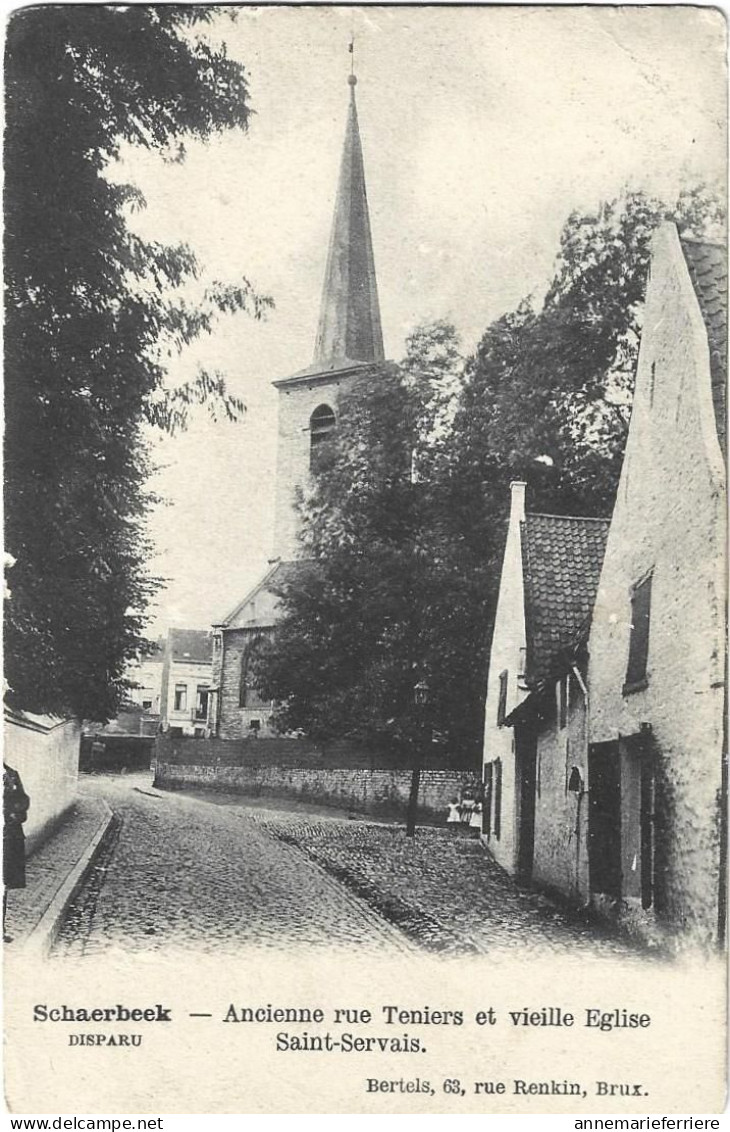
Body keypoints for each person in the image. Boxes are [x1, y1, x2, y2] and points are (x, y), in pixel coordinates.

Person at [4, 763, 30, 942]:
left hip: (8, 838)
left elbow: (23, 801)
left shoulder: (11, 773)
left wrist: (16, 814)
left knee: (3, 885)